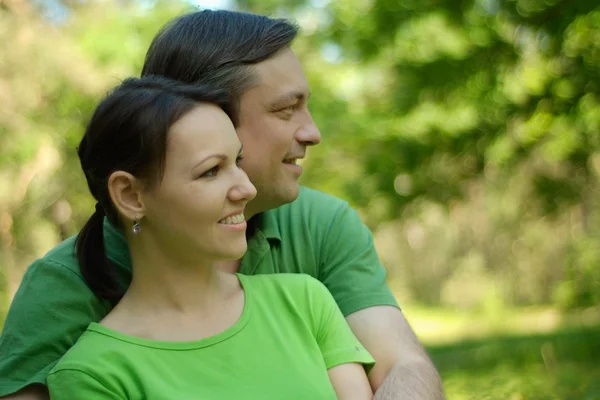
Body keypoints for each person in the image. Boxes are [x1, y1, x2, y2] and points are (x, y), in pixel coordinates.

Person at [0, 10, 445, 400]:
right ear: (196, 113)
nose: (312, 133)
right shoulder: (65, 289)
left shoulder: (319, 237)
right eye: (285, 110)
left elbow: (404, 367)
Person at [43, 75, 376, 399]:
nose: (247, 189)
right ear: (130, 195)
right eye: (211, 171)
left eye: (237, 162)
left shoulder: (304, 303)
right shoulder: (94, 374)